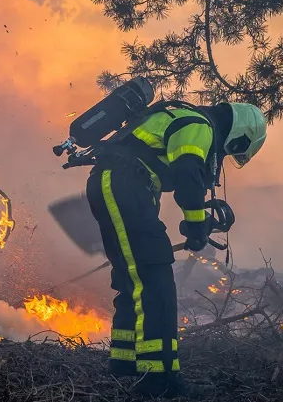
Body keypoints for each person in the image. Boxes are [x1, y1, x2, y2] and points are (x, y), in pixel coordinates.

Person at [85, 101, 267, 398]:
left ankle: (126, 366)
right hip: (122, 186)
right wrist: (196, 227)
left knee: (137, 280)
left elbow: (165, 170)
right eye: (235, 149)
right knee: (156, 281)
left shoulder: (186, 118)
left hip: (118, 186)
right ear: (239, 135)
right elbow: (188, 174)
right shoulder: (198, 125)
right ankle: (159, 379)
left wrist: (194, 223)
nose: (227, 154)